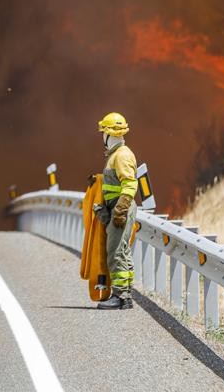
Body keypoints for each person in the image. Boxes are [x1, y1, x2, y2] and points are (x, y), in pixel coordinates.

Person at [95, 112, 137, 310]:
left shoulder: (121, 155)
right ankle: (125, 296)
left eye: (103, 132)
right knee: (122, 251)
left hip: (122, 209)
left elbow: (129, 184)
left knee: (115, 252)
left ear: (108, 134)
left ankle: (119, 296)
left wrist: (120, 209)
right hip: (117, 208)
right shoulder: (116, 155)